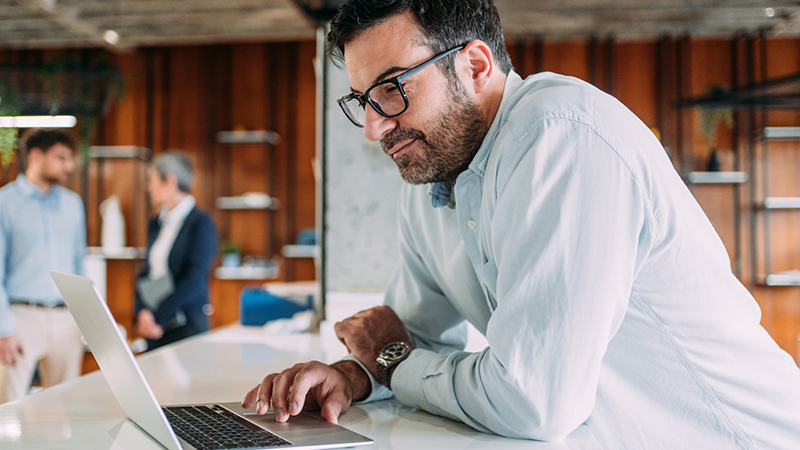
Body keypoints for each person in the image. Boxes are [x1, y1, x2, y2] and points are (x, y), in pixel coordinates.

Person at [242, 0, 800, 447]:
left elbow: (533, 401)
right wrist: (352, 376)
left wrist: (393, 363)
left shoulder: (563, 137)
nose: (373, 128)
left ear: (476, 65)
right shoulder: (431, 178)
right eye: (364, 100)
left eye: (392, 90)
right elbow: (411, 338)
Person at [0, 129, 86, 403]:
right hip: (20, 318)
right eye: (61, 158)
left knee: (68, 411)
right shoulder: (5, 203)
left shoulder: (73, 205)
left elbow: (78, 268)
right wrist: (4, 330)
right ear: (36, 156)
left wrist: (84, 320)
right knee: (7, 408)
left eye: (70, 158)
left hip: (65, 319)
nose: (69, 166)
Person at [134, 152, 217, 351]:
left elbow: (194, 279)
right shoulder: (156, 223)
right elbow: (147, 272)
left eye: (151, 180)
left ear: (169, 181)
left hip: (185, 328)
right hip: (155, 328)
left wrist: (158, 316)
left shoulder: (201, 223)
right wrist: (142, 312)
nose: (148, 187)